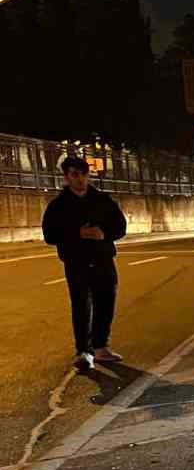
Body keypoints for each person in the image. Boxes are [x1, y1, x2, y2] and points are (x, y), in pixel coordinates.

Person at [41, 155, 127, 371]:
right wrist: (77, 233)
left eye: (83, 174)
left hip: (102, 259)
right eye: (74, 175)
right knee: (81, 305)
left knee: (105, 302)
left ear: (88, 175)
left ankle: (100, 346)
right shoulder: (58, 205)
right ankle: (83, 351)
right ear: (67, 177)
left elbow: (120, 227)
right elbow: (50, 235)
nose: (79, 179)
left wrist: (103, 233)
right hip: (76, 261)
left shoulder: (102, 200)